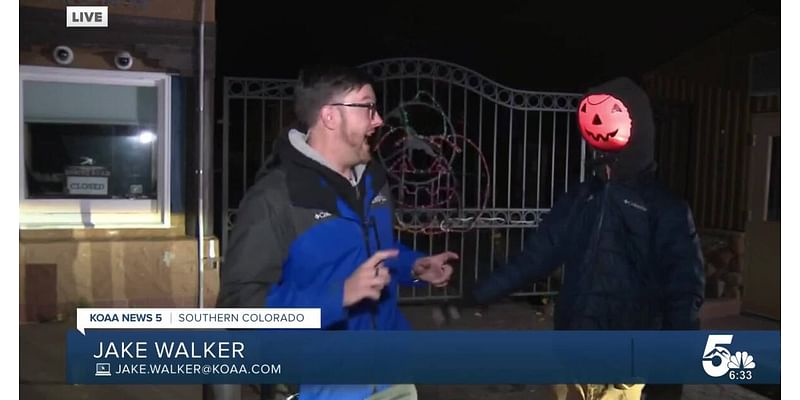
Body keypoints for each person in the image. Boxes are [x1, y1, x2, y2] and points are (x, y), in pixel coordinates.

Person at [217, 64, 458, 400]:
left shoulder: (373, 178)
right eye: (367, 107)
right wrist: (338, 297)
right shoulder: (276, 198)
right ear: (330, 116)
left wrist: (414, 267)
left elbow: (370, 252)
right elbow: (239, 310)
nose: (378, 121)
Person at [470, 77, 705, 400]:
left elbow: (684, 292)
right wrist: (484, 291)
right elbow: (536, 257)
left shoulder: (665, 209)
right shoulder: (580, 199)